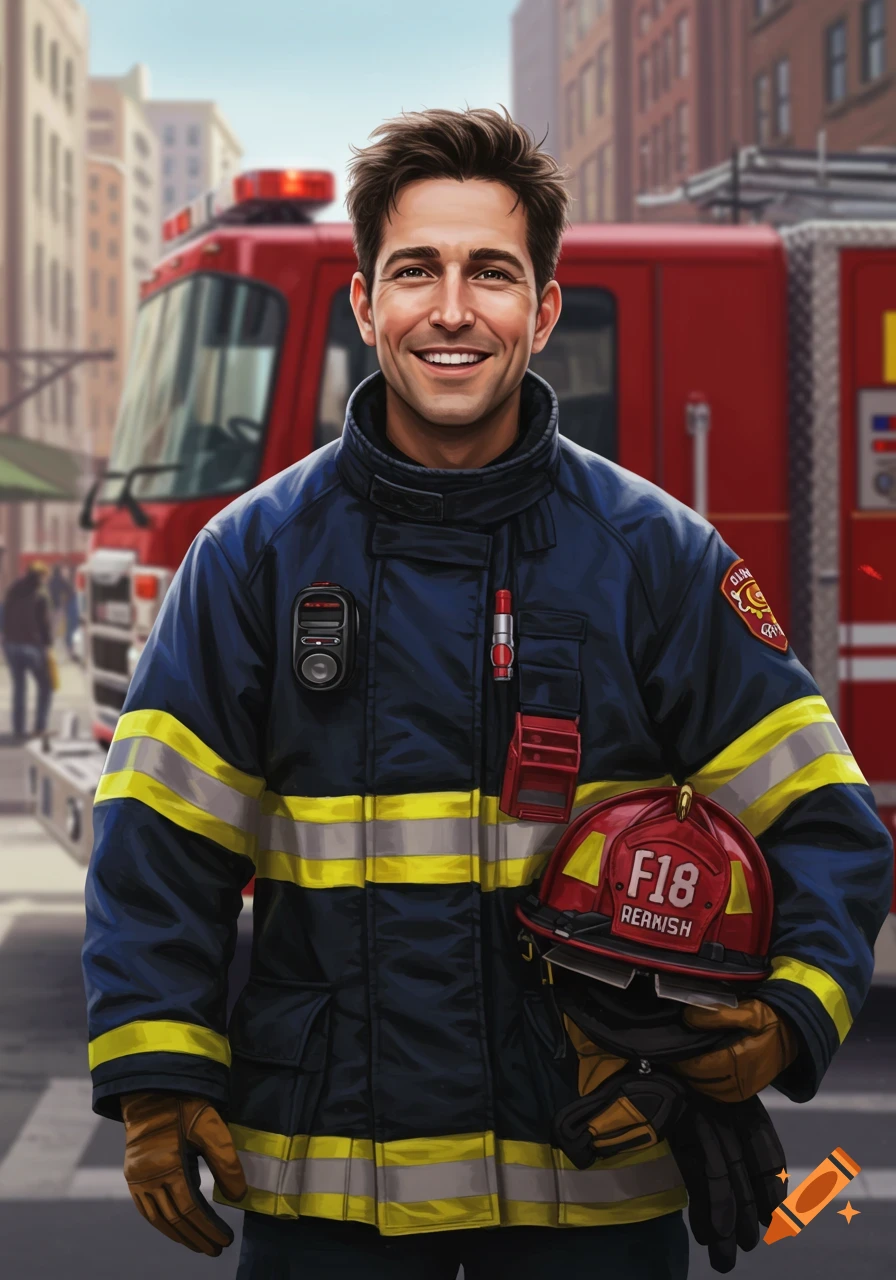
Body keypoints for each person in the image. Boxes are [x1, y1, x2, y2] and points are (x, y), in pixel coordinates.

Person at [81, 109, 894, 1280]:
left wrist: (784, 1013)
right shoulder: (250, 558)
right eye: (414, 270)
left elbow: (822, 818)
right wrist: (158, 1077)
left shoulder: (655, 556)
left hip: (593, 1181)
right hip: (328, 1192)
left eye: (490, 273)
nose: (451, 309)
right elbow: (160, 842)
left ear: (543, 309)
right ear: (365, 306)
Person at [1, 560, 54, 740]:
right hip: (31, 646)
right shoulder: (39, 593)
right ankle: (39, 727)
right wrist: (47, 645)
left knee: (19, 687)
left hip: (10, 645)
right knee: (45, 686)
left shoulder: (13, 590)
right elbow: (43, 624)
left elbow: (4, 615)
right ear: (40, 576)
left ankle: (18, 729)